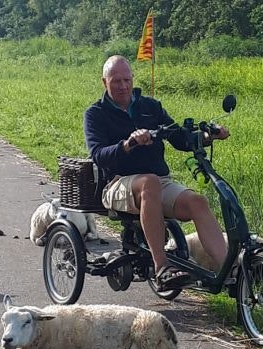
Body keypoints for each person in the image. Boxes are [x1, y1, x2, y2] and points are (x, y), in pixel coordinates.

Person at [83, 55, 229, 289]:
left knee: (197, 201)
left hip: (157, 182)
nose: (123, 86)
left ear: (133, 79)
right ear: (104, 82)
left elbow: (179, 137)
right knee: (149, 183)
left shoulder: (150, 107)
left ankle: (230, 271)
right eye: (116, 81)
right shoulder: (95, 114)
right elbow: (99, 154)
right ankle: (162, 267)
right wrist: (128, 144)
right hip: (117, 184)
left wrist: (207, 136)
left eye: (127, 80)